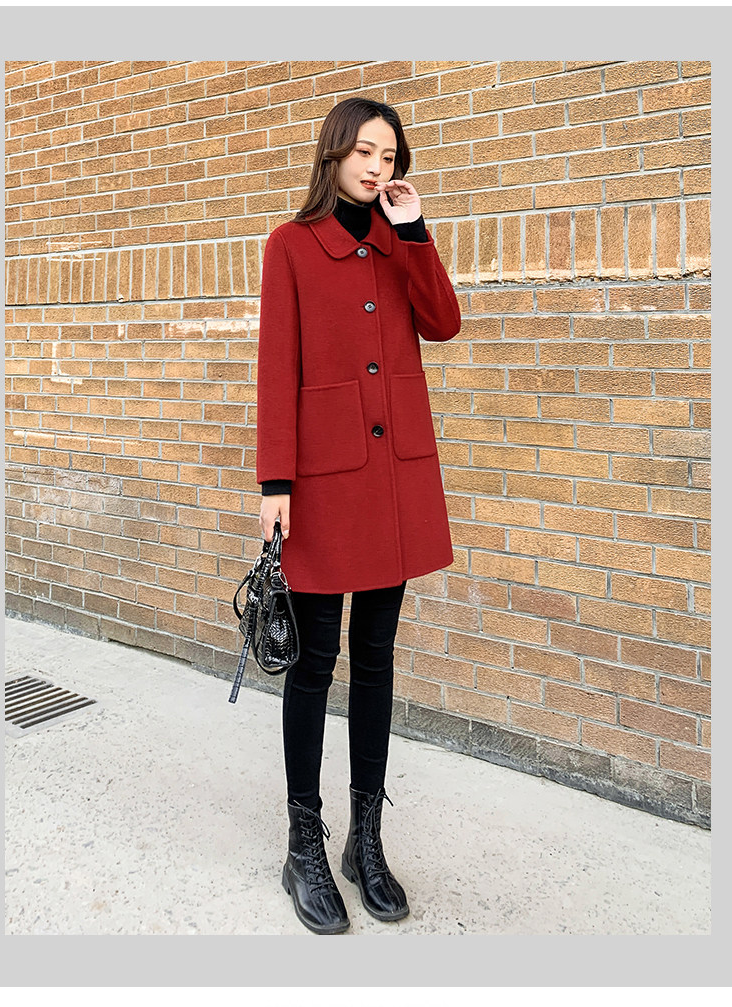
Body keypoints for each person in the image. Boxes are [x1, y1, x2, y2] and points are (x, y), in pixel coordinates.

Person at [256, 97, 461, 935]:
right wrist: (275, 483)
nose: (378, 168)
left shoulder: (396, 241)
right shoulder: (291, 245)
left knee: (376, 658)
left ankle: (365, 840)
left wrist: (414, 232)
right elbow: (277, 367)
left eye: (391, 156)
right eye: (365, 152)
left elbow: (443, 323)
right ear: (334, 153)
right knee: (314, 664)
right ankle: (303, 843)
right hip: (323, 483)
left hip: (394, 482)